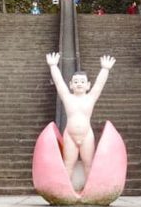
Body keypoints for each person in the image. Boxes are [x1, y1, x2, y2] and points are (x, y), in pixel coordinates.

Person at [46, 52, 116, 180]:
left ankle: (89, 191)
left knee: (88, 164)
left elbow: (99, 85)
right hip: (70, 135)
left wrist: (105, 69)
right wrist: (53, 66)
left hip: (87, 135)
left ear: (88, 85)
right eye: (76, 81)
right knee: (68, 164)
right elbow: (59, 83)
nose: (79, 84)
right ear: (71, 85)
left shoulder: (90, 98)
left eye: (82, 82)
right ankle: (65, 191)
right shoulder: (68, 98)